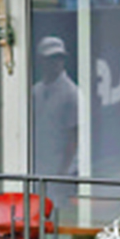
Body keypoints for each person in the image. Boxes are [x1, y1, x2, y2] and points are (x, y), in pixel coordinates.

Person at [31, 35, 79, 181]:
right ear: (41, 60)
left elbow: (74, 135)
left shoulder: (71, 93)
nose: (56, 62)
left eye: (59, 58)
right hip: (38, 166)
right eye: (50, 58)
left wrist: (63, 171)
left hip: (62, 170)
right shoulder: (36, 91)